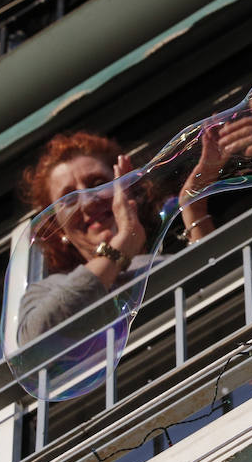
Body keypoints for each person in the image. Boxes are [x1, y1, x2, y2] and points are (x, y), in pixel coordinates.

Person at [15, 131, 212, 344]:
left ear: (127, 190)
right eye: (68, 199)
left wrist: (195, 210)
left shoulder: (164, 260)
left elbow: (219, 287)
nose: (88, 202)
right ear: (58, 228)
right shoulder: (49, 289)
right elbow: (36, 341)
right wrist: (122, 243)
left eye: (97, 183)